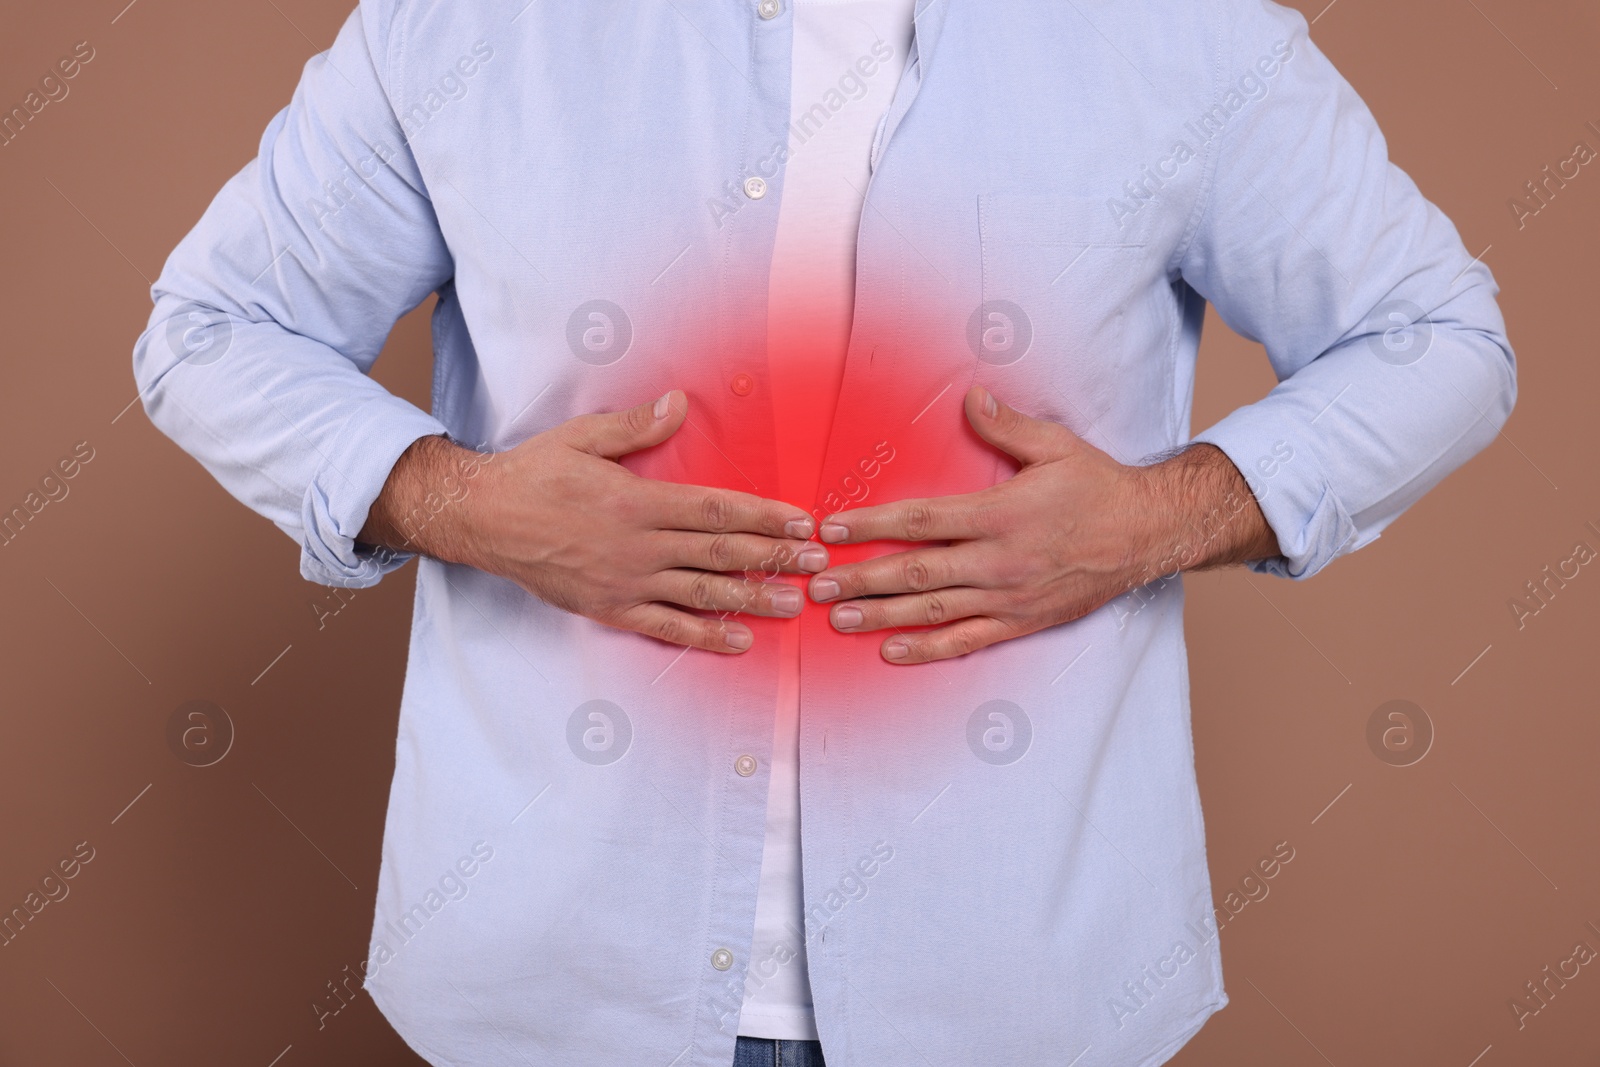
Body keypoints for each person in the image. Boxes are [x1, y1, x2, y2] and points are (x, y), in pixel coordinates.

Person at [131, 0, 1515, 1064]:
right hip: (556, 990)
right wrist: (470, 504)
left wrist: (1156, 518)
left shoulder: (1177, 34)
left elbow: (1438, 340)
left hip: (1016, 987)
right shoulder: (472, 27)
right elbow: (209, 332)